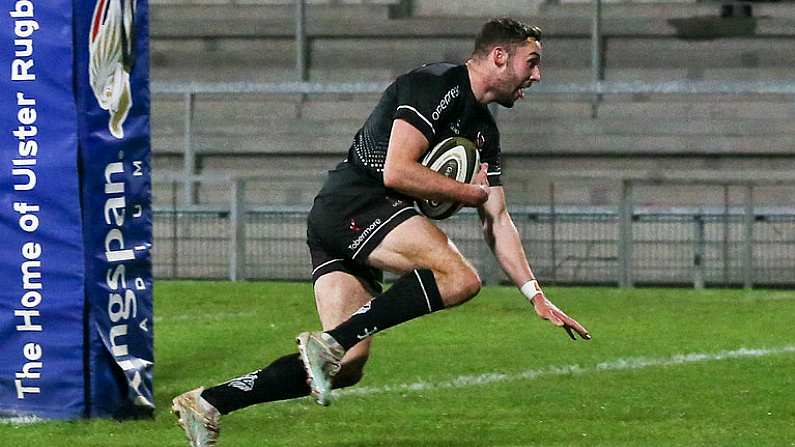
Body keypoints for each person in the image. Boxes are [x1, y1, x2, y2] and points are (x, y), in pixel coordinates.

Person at [172, 17, 590, 447]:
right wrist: (468, 193)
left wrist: (534, 293)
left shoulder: (484, 131)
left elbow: (497, 218)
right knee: (460, 278)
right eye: (532, 62)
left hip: (352, 219)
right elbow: (397, 170)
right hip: (355, 203)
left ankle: (208, 402)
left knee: (347, 364)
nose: (537, 75)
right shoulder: (435, 85)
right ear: (499, 57)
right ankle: (330, 342)